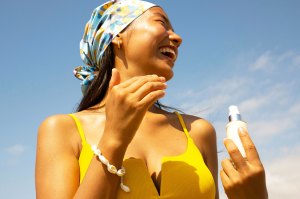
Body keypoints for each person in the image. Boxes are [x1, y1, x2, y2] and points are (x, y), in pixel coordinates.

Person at [35, 0, 268, 198]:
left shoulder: (199, 131)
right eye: (161, 23)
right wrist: (114, 139)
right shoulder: (62, 129)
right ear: (117, 36)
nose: (177, 38)